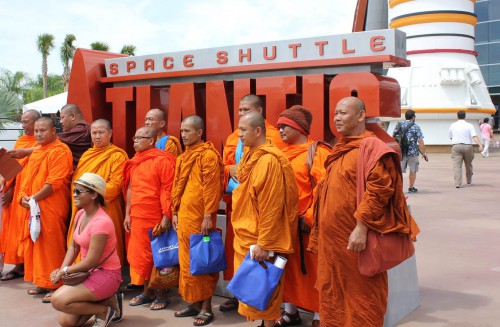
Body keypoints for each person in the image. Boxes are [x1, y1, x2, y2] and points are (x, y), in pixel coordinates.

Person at [308, 96, 419, 326]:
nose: (337, 118)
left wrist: (361, 227)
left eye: (343, 113)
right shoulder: (340, 149)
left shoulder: (371, 148)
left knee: (363, 300)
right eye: (335, 113)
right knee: (332, 296)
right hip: (333, 247)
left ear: (360, 116)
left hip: (357, 243)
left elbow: (380, 190)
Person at [231, 111, 298, 327]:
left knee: (265, 292)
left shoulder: (268, 160)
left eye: (243, 130)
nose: (239, 134)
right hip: (247, 233)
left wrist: (264, 243)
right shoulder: (252, 155)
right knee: (255, 290)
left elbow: (271, 207)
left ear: (258, 130)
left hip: (260, 238)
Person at [220, 94, 286, 312]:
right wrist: (229, 169)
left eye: (246, 109)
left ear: (259, 111)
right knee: (247, 273)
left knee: (262, 279)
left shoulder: (272, 141)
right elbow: (226, 164)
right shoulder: (237, 137)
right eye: (239, 110)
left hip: (260, 221)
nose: (242, 113)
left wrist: (265, 240)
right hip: (242, 212)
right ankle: (242, 296)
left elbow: (272, 197)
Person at [275, 106, 331, 327]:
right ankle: (291, 313)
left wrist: (309, 218)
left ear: (300, 128)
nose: (280, 130)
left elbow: (324, 188)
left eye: (285, 126)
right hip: (284, 225)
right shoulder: (280, 153)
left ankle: (320, 316)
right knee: (287, 270)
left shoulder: (317, 152)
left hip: (308, 226)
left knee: (316, 272)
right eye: (279, 126)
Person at [50, 173, 122, 327]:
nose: (74, 194)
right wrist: (62, 268)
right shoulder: (81, 214)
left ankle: (104, 311)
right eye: (74, 190)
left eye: (79, 191)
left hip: (106, 274)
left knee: (58, 300)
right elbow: (74, 246)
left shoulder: (101, 222)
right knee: (66, 322)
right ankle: (108, 301)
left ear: (94, 195)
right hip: (89, 273)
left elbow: (91, 261)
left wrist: (64, 271)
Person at [171, 115, 223, 326]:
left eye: (188, 131)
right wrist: (174, 211)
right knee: (187, 263)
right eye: (182, 131)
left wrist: (208, 215)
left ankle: (206, 307)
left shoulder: (208, 155)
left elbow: (211, 188)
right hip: (184, 216)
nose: (183, 135)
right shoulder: (183, 156)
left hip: (200, 218)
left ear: (200, 132)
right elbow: (177, 186)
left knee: (203, 262)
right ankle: (193, 302)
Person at [17, 117, 73, 303]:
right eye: (37, 131)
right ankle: (42, 281)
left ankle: (55, 284)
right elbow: (27, 180)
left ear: (54, 131)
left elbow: (54, 182)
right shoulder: (37, 152)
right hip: (34, 205)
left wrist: (33, 198)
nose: (39, 134)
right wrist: (23, 196)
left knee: (52, 243)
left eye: (43, 130)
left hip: (51, 205)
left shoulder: (60, 151)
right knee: (37, 243)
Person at [123, 126, 176, 310]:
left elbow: (167, 190)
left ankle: (162, 294)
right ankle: (147, 292)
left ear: (152, 141)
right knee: (142, 257)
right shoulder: (134, 161)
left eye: (140, 138)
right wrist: (127, 214)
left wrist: (166, 216)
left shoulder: (163, 160)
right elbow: (129, 188)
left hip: (155, 215)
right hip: (137, 215)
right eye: (134, 137)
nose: (135, 141)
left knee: (159, 255)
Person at [67, 119, 128, 265]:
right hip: (84, 208)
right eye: (94, 133)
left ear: (110, 133)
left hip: (106, 206)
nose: (97, 136)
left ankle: (109, 277)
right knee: (79, 242)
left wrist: (91, 197)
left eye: (101, 132)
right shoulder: (87, 155)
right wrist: (85, 198)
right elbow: (76, 181)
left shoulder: (117, 155)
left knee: (105, 246)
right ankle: (77, 273)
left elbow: (115, 185)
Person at [0, 109, 41, 281]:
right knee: (16, 230)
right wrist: (9, 189)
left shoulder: (42, 144)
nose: (23, 125)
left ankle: (31, 267)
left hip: (34, 192)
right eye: (22, 122)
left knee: (31, 229)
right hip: (18, 191)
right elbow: (12, 169)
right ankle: (19, 265)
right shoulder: (21, 141)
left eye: (27, 122)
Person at [392, 109, 428, 193]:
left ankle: (398, 190)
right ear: (413, 117)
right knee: (413, 170)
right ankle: (411, 188)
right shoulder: (415, 126)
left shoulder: (399, 125)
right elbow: (420, 141)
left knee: (398, 171)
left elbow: (393, 137)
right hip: (412, 152)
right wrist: (424, 152)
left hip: (400, 152)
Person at [448, 110, 483, 188]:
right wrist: (480, 145)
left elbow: (450, 136)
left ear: (457, 116)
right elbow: (474, 136)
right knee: (468, 164)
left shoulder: (453, 125)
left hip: (456, 146)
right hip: (468, 146)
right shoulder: (469, 125)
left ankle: (457, 183)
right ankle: (469, 180)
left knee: (457, 166)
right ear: (465, 116)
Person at [58, 104, 92, 170]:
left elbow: (52, 141)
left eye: (63, 117)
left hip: (82, 173)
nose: (60, 121)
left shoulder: (82, 130)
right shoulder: (86, 128)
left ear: (73, 116)